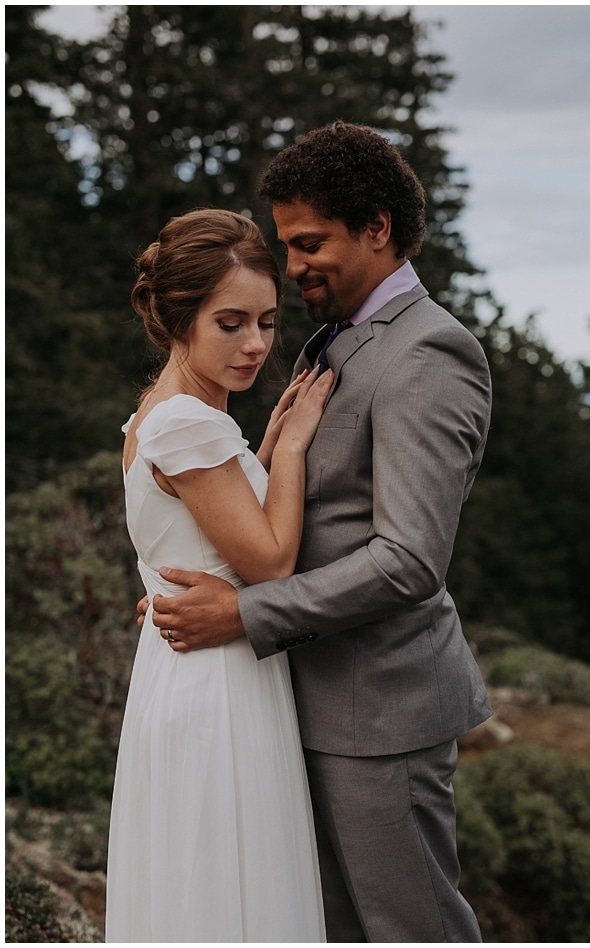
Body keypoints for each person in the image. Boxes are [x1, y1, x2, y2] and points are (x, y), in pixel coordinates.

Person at [148, 121, 494, 942]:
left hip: (380, 714)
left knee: (410, 930)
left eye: (310, 243)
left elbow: (409, 560)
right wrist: (204, 586)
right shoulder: (330, 338)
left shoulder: (429, 354)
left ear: (377, 228)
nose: (293, 265)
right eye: (286, 244)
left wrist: (243, 615)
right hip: (297, 704)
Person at [106, 208, 334, 941]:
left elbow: (206, 531)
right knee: (229, 887)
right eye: (230, 322)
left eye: (267, 322)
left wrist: (258, 452)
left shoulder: (158, 414)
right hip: (219, 683)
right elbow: (267, 560)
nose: (256, 345)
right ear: (179, 317)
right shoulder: (191, 424)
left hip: (181, 673)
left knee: (198, 887)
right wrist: (293, 449)